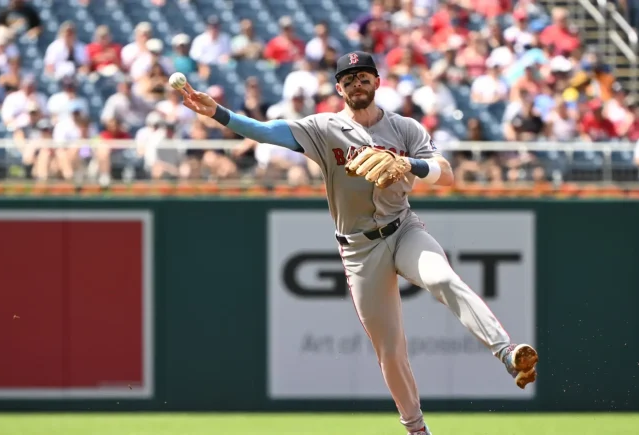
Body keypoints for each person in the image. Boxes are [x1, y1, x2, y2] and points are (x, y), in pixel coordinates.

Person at [177, 51, 539, 435]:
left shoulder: (404, 129)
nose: (356, 83)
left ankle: (506, 354)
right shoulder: (324, 128)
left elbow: (446, 174)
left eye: (363, 76)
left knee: (443, 279)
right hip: (359, 249)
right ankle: (416, 429)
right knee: (390, 349)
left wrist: (409, 164)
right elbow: (267, 132)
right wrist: (218, 113)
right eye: (348, 79)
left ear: (377, 82)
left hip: (403, 229)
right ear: (339, 88)